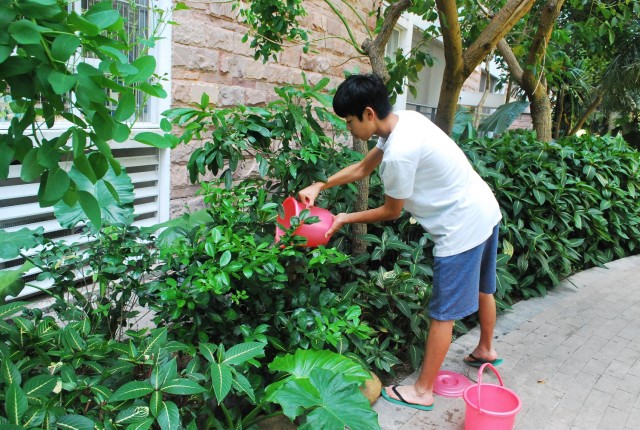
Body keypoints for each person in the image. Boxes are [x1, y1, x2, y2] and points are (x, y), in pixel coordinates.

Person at [298, 73, 503, 411]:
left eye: (349, 121)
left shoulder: (399, 154)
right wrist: (322, 185)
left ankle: (422, 391)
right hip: (484, 208)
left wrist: (344, 218)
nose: (348, 128)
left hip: (461, 227)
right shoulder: (405, 121)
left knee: (442, 315)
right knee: (484, 288)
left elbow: (392, 211)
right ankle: (486, 349)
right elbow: (363, 168)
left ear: (367, 113)